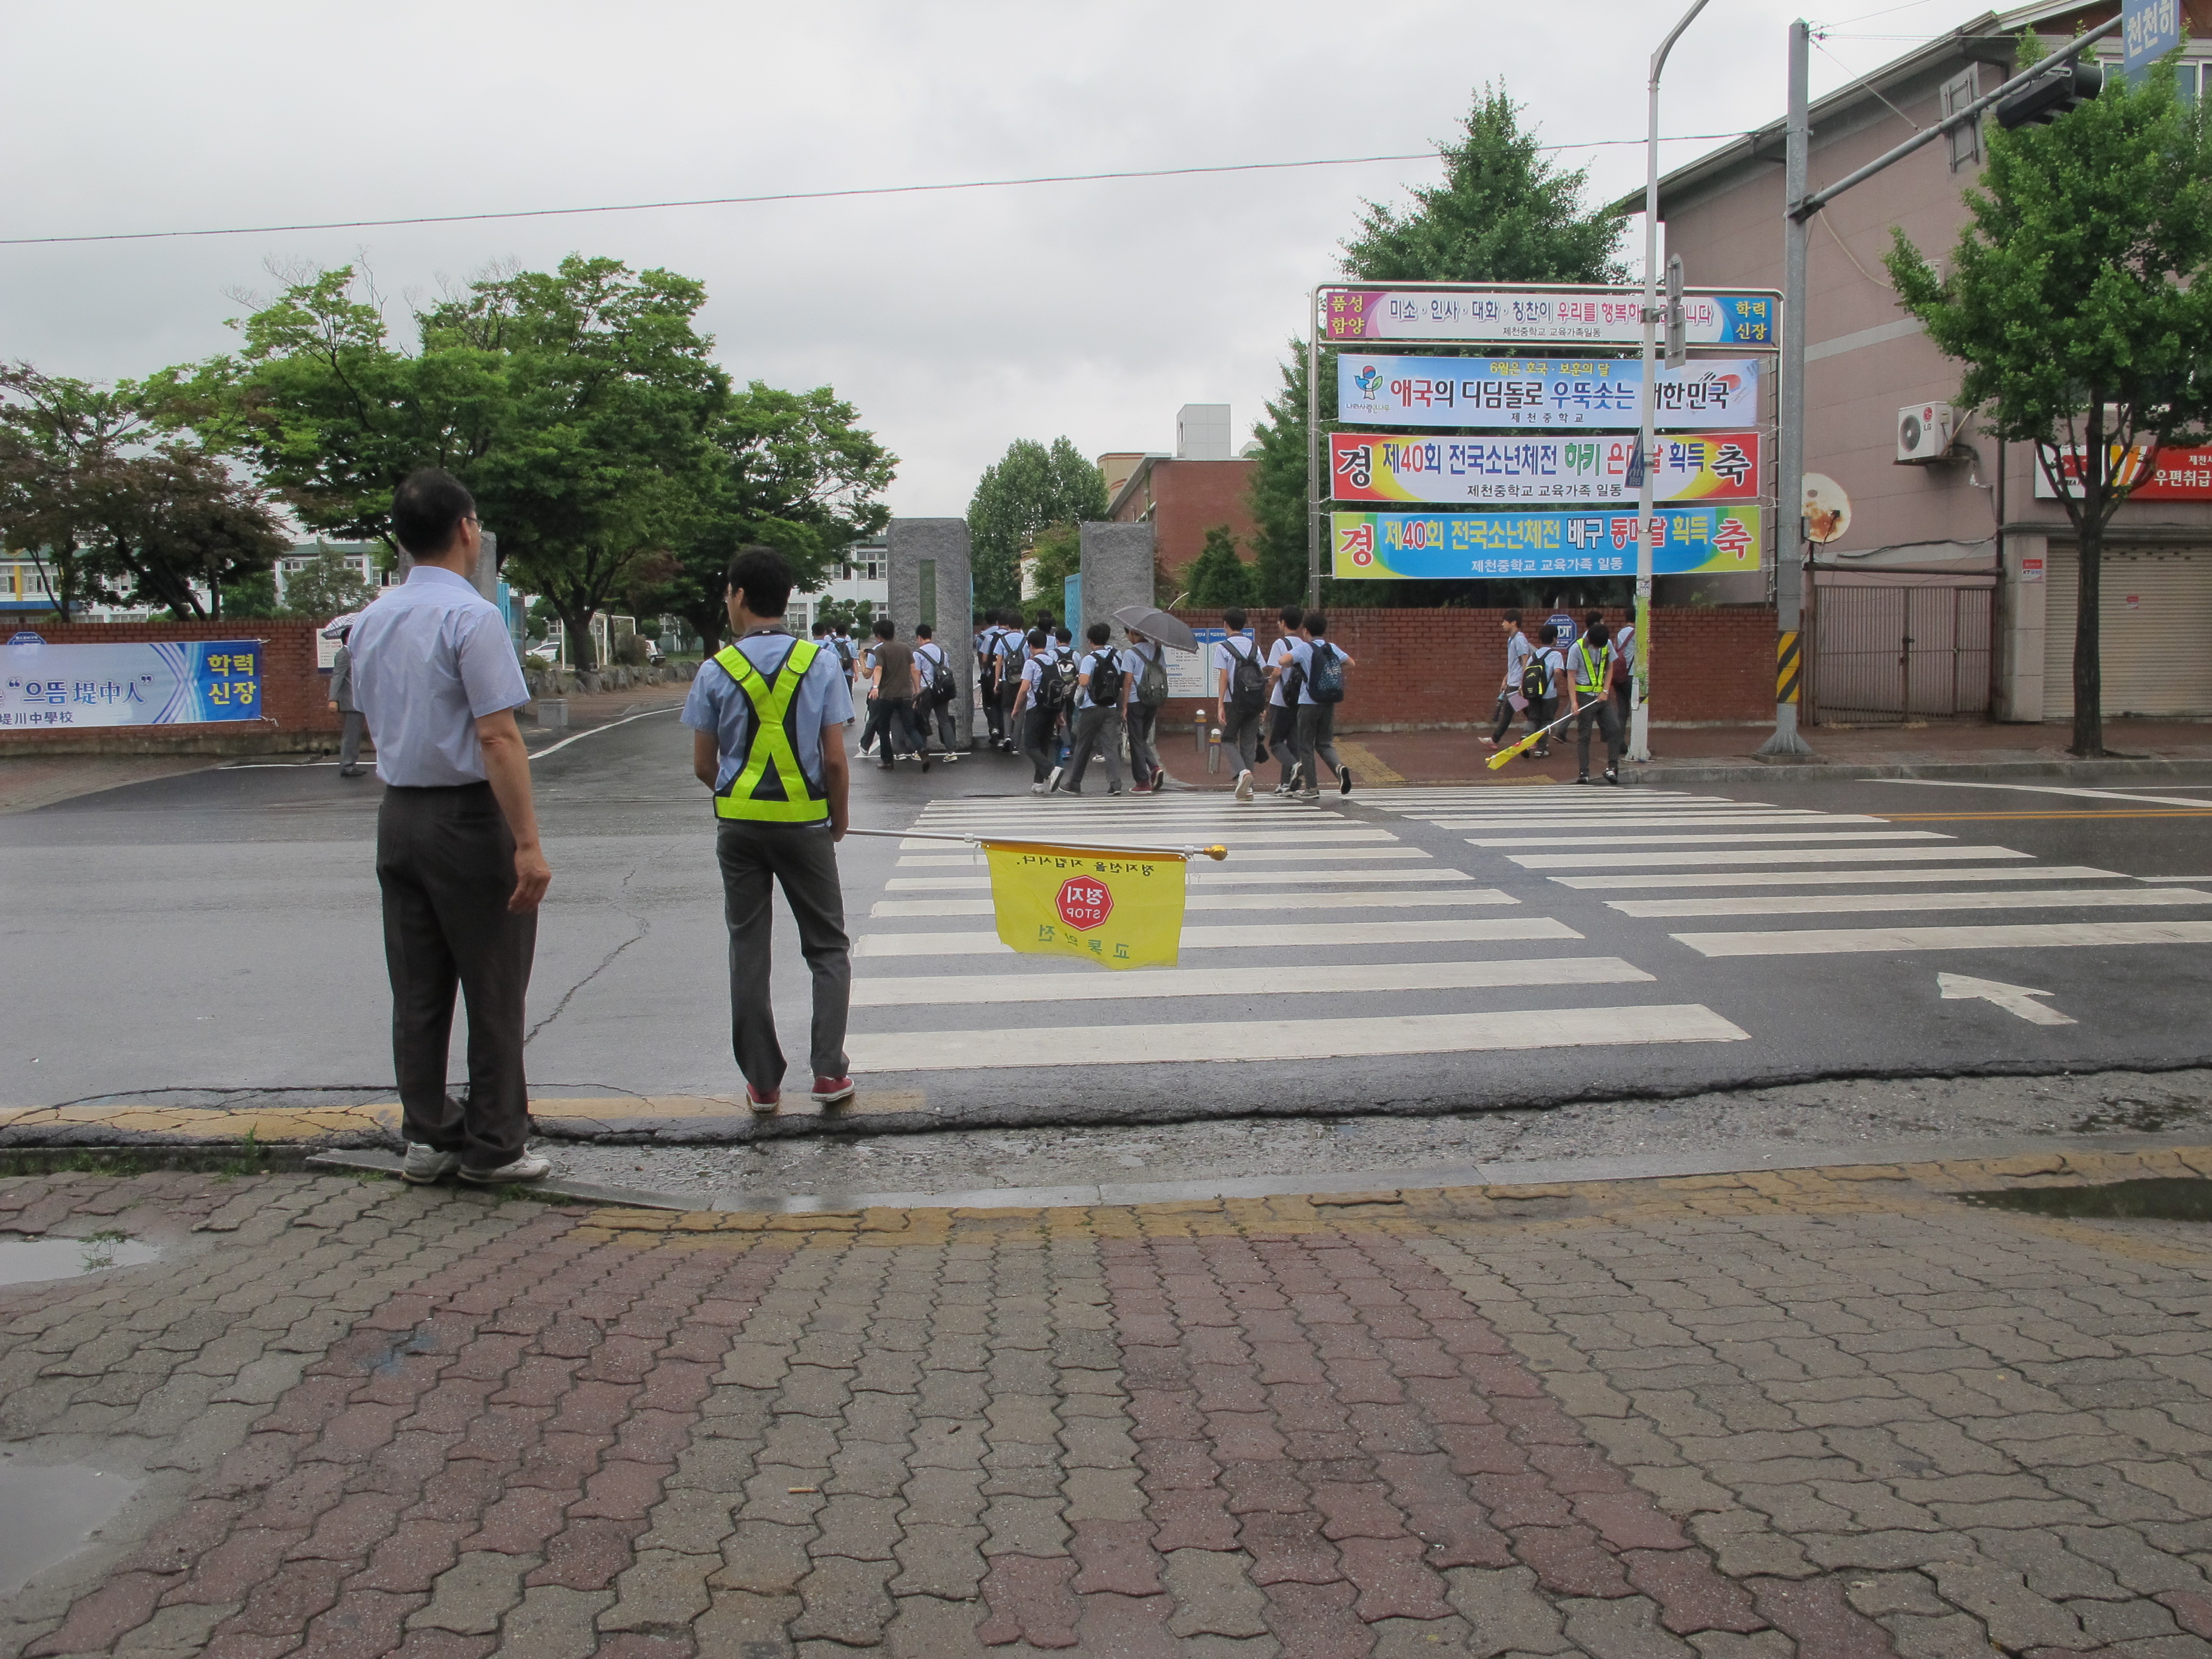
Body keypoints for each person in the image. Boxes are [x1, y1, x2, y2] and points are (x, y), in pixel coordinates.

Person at [349, 468, 551, 1186]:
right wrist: (526, 842)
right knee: (493, 983)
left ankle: (428, 1137)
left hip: (398, 813)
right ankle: (497, 1144)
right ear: (468, 528)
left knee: (419, 987)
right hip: (467, 818)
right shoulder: (472, 618)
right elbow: (498, 737)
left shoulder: (372, 618)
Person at [683, 545, 856, 1112]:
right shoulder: (822, 662)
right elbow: (835, 760)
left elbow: (703, 765)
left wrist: (742, 795)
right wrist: (839, 817)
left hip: (738, 829)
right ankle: (828, 1073)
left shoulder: (715, 669)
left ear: (737, 596)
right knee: (827, 947)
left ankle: (763, 1082)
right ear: (788, 597)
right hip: (807, 824)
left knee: (749, 949)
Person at [1285, 612, 1356, 799]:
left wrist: (1299, 665)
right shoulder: (1331, 647)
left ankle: (1312, 788)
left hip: (1309, 702)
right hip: (1328, 701)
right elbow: (1351, 662)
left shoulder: (1304, 648)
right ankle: (1338, 768)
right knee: (1325, 743)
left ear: (1306, 630)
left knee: (1306, 746)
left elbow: (1283, 661)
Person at [1055, 621, 1127, 796]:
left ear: (1090, 641)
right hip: (1110, 706)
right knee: (1110, 747)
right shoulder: (1116, 657)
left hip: (1091, 707)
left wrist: (1080, 679)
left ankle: (1074, 783)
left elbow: (1085, 682)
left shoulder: (1090, 659)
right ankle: (1115, 784)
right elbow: (1121, 680)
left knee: (1083, 746)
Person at [1214, 606, 1265, 802]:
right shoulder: (1255, 648)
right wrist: (1264, 704)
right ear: (1244, 625)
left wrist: (1220, 705)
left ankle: (1242, 772)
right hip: (1254, 701)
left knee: (1228, 739)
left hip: (1233, 701)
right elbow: (1261, 676)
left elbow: (1224, 677)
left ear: (1225, 624)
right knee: (1248, 744)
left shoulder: (1223, 647)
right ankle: (1249, 789)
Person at [1566, 619, 1623, 785]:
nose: (1599, 649)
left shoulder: (1606, 644)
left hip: (1602, 697)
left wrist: (1605, 691)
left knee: (1615, 728)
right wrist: (1574, 702)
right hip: (1584, 697)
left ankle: (1612, 768)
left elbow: (1610, 667)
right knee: (1584, 735)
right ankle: (1584, 773)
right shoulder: (1576, 648)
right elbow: (1571, 675)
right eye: (1596, 646)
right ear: (1590, 640)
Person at [864, 617, 926, 768]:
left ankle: (887, 761)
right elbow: (914, 669)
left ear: (879, 635)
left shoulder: (881, 649)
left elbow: (878, 669)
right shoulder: (905, 648)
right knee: (910, 727)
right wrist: (917, 690)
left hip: (887, 696)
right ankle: (922, 748)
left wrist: (875, 687)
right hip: (905, 695)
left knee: (884, 728)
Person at [1009, 628, 1061, 792]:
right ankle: (1038, 783)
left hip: (1036, 709)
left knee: (1030, 746)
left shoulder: (1031, 663)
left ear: (1030, 646)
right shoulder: (1054, 662)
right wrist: (1060, 714)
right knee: (1043, 745)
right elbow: (1058, 689)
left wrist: (1016, 709)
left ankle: (1052, 770)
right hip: (1052, 709)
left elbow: (1024, 689)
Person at [1264, 605, 1307, 795]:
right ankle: (1287, 784)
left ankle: (1294, 766)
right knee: (1293, 742)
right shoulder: (1305, 644)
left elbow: (1277, 670)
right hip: (1301, 700)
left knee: (1275, 742)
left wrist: (1270, 681)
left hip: (1282, 700)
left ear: (1283, 623)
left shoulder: (1280, 644)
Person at [1122, 626, 1169, 793]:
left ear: (1132, 633)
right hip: (1153, 701)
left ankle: (1142, 782)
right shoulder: (1157, 651)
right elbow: (1163, 674)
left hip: (1136, 700)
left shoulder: (1130, 654)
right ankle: (1155, 768)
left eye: (1127, 634)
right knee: (1141, 738)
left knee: (1136, 741)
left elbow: (1128, 681)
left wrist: (1125, 705)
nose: (1128, 638)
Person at [1482, 610, 1532, 751]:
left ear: (1514, 623)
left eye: (1505, 621)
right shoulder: (1512, 640)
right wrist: (1506, 679)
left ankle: (1495, 739)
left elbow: (1525, 661)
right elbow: (1513, 664)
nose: (1502, 624)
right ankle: (1537, 736)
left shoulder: (1520, 639)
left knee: (1514, 712)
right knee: (1524, 712)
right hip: (1513, 682)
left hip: (1517, 684)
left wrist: (1523, 683)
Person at [911, 622, 961, 762]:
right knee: (944, 720)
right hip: (942, 691)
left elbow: (916, 672)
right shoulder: (942, 653)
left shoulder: (918, 653)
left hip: (926, 691)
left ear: (920, 637)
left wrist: (916, 692)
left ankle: (920, 751)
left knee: (922, 719)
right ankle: (951, 751)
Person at [326, 619, 369, 778]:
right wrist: (333, 699)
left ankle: (351, 763)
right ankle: (348, 765)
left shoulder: (355, 655)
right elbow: (337, 676)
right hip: (350, 703)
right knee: (351, 735)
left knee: (355, 735)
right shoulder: (344, 654)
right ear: (347, 639)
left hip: (357, 701)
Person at [1528, 623, 1565, 759]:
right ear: (1555, 639)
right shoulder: (1556, 655)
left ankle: (1526, 736)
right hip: (1549, 694)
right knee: (1546, 721)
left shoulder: (1534, 655)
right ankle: (1541, 749)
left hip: (1534, 693)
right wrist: (1555, 683)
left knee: (1533, 718)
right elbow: (1557, 672)